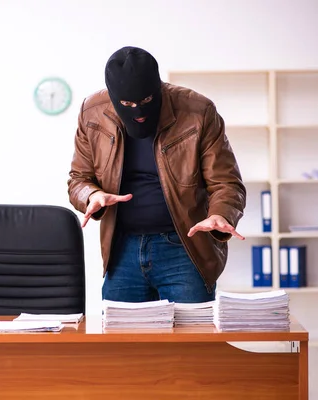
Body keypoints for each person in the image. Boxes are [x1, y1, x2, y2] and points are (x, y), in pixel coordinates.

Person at [67, 46, 247, 304]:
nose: (138, 111)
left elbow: (226, 182)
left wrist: (220, 213)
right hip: (121, 250)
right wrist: (92, 195)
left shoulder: (198, 111)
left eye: (146, 102)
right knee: (124, 343)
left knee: (191, 342)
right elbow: (78, 179)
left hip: (184, 249)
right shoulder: (92, 112)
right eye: (127, 105)